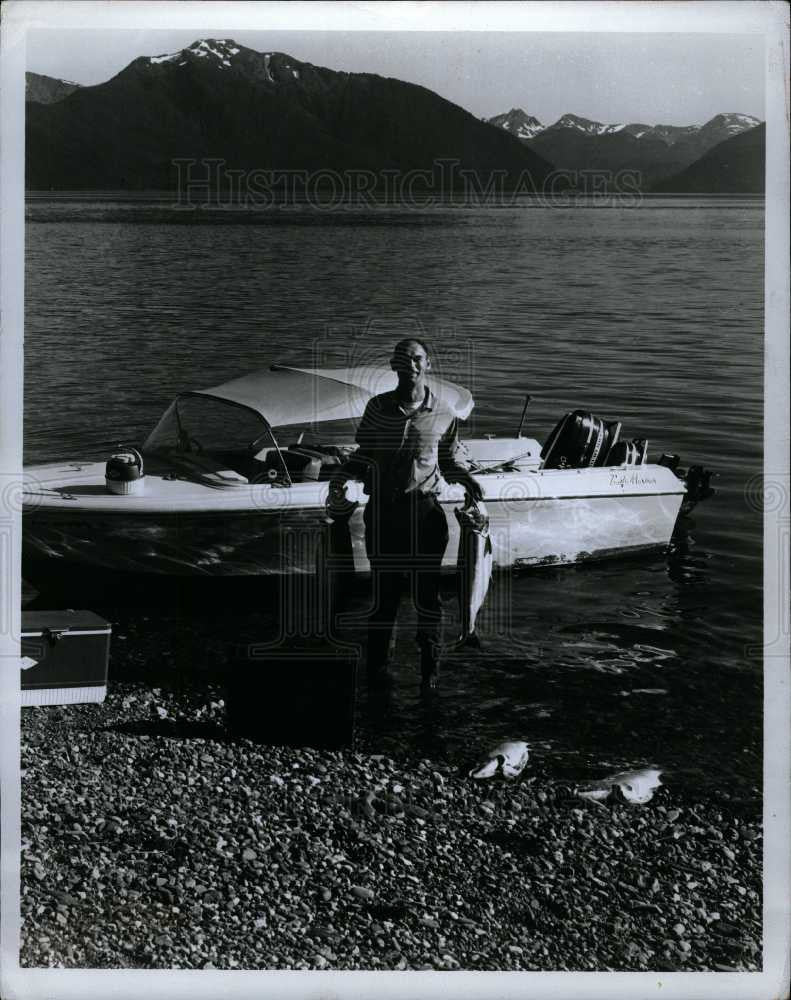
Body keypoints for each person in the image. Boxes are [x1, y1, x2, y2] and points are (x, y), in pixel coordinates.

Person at [328, 338, 482, 689]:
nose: (410, 365)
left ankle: (430, 677)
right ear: (394, 365)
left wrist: (467, 479)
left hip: (425, 516)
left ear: (427, 365)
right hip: (383, 514)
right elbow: (363, 453)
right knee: (384, 598)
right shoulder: (377, 408)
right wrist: (342, 475)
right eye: (403, 359)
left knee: (428, 600)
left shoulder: (444, 412)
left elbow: (448, 460)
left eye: (417, 359)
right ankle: (377, 675)